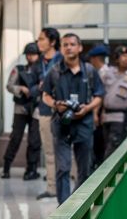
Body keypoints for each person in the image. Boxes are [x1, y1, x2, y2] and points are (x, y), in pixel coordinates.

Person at [42, 33, 104, 205]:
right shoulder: (54, 71)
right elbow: (45, 95)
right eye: (65, 45)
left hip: (84, 123)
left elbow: (99, 95)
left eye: (72, 44)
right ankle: (63, 208)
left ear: (80, 47)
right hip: (62, 123)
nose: (68, 47)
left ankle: (79, 205)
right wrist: (55, 104)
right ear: (61, 48)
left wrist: (87, 109)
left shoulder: (90, 71)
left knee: (84, 168)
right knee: (63, 167)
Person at [1, 42, 41, 180]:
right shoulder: (19, 69)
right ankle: (6, 167)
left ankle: (32, 169)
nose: (31, 57)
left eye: (33, 54)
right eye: (29, 54)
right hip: (21, 108)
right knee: (16, 138)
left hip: (36, 108)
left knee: (34, 140)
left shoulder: (43, 70)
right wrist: (21, 89)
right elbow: (9, 85)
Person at [34, 28, 63, 200]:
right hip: (44, 109)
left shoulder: (63, 60)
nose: (38, 42)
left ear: (52, 41)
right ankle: (52, 188)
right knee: (49, 152)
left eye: (42, 39)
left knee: (68, 150)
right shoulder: (39, 63)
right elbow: (33, 85)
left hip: (62, 110)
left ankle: (74, 187)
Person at [86, 44, 109, 168]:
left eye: (91, 59)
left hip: (100, 111)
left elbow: (101, 96)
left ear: (95, 58)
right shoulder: (100, 72)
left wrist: (95, 113)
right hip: (98, 110)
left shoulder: (104, 73)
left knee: (99, 142)